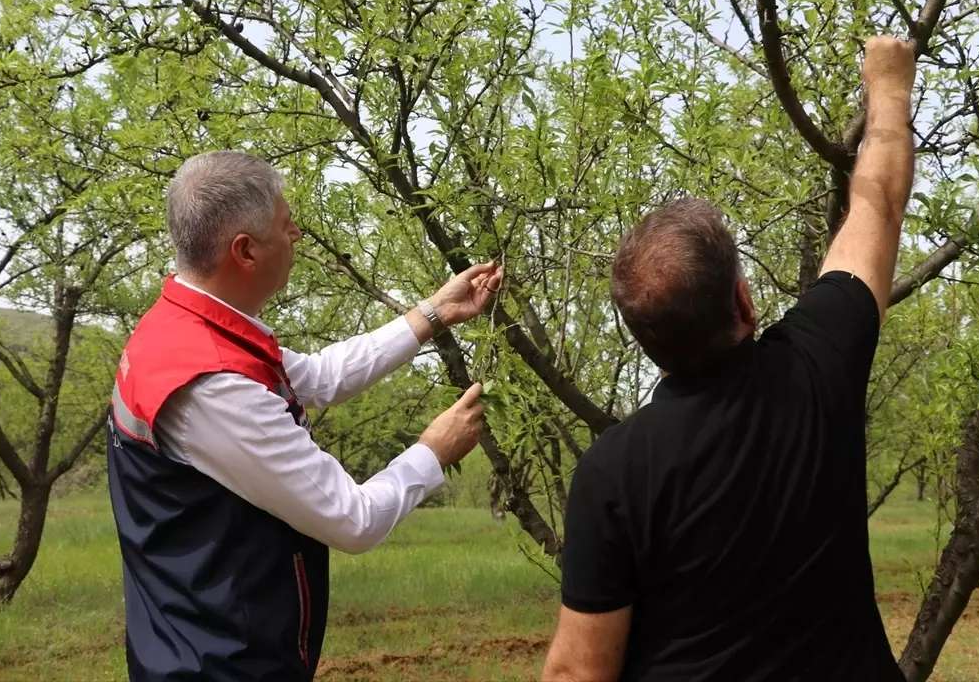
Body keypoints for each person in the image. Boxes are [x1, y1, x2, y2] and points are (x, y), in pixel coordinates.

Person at [541, 36, 917, 681]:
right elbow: (877, 204)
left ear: (641, 335)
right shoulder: (818, 363)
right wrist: (888, 89)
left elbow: (578, 672)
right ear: (744, 300)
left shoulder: (613, 471)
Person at [106, 150, 501, 681]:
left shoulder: (184, 330)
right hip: (224, 663)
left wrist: (434, 312)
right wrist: (434, 451)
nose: (296, 236)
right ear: (244, 251)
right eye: (286, 226)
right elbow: (354, 520)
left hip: (192, 640)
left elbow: (318, 377)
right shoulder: (213, 385)